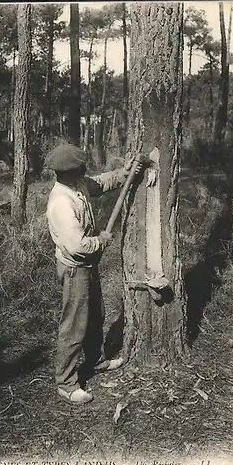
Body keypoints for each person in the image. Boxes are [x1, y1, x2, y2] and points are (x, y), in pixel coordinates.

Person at [45, 143, 144, 404]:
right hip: (75, 267)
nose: (84, 169)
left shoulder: (77, 185)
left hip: (88, 264)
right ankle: (66, 383)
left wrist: (123, 173)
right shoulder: (61, 203)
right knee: (75, 324)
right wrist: (101, 240)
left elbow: (99, 184)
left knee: (95, 315)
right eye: (79, 167)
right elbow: (78, 246)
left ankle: (96, 360)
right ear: (66, 172)